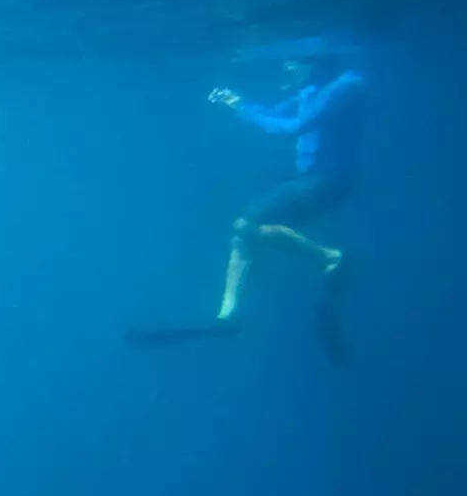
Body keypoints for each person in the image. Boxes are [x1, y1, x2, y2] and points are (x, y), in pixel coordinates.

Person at [128, 43, 367, 362]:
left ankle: (328, 258)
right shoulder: (316, 87)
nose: (285, 68)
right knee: (249, 232)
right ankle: (228, 316)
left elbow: (288, 128)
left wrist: (240, 106)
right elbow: (274, 113)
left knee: (246, 224)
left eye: (291, 61)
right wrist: (235, 102)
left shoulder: (345, 86)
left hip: (328, 181)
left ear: (315, 59)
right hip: (310, 179)